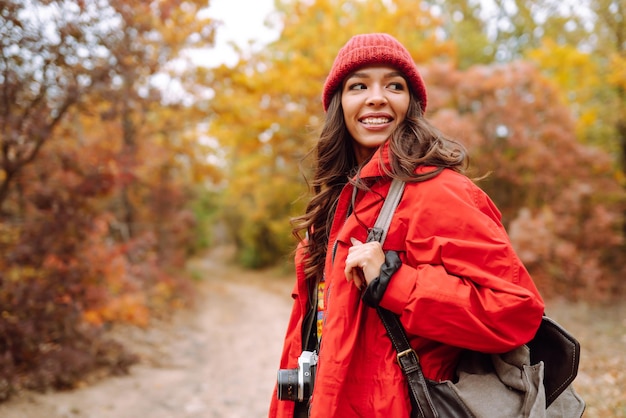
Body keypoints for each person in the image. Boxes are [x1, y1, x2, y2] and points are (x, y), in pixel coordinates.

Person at [269, 33, 545, 418]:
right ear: (339, 104)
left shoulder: (439, 192)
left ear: (411, 104)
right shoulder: (334, 203)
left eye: (394, 85)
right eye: (359, 85)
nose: (377, 97)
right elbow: (308, 338)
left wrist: (396, 284)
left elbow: (514, 312)